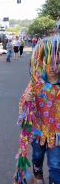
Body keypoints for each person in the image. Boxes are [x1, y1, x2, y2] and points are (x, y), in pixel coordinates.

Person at [14, 37, 60, 184]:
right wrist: (27, 99)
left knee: (55, 163)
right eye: (49, 63)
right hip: (37, 130)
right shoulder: (36, 82)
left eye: (57, 63)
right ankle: (37, 172)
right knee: (38, 155)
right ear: (42, 62)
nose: (53, 67)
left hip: (57, 134)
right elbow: (23, 104)